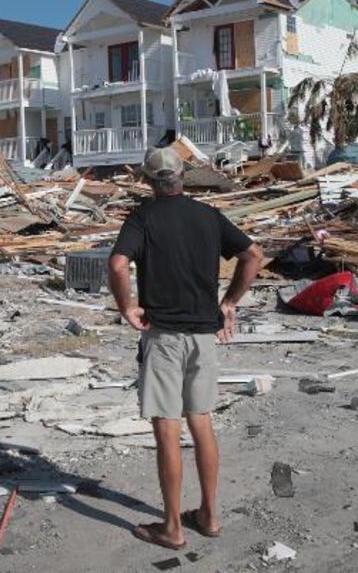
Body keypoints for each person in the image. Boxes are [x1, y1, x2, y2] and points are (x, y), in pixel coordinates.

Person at [108, 147, 264, 550]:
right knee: (202, 421)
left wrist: (127, 306)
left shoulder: (142, 217)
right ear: (183, 176)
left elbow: (117, 264)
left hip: (163, 337)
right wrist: (228, 303)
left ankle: (173, 526)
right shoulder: (207, 216)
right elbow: (253, 255)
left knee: (166, 428)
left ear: (147, 179)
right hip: (201, 336)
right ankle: (210, 516)